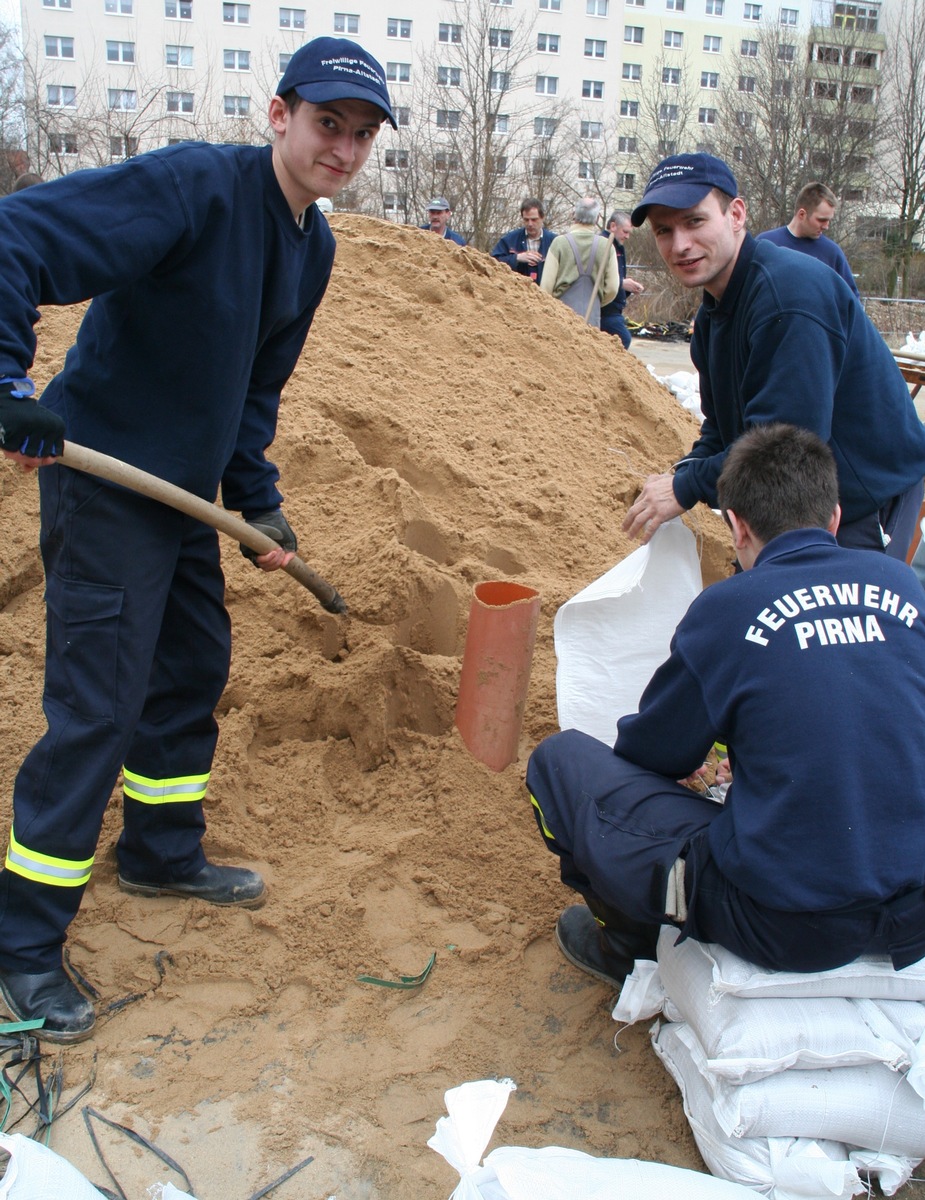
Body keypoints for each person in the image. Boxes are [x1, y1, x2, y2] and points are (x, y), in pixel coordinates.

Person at [0, 36, 395, 1042]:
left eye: (359, 135)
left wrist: (254, 496)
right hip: (104, 481)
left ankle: (160, 853)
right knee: (100, 702)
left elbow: (251, 390)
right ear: (279, 116)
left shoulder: (313, 248)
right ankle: (22, 945)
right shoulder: (192, 189)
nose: (341, 149)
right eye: (325, 125)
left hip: (183, 496)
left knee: (189, 668)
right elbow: (16, 238)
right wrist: (8, 388)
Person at [528, 423, 925, 985]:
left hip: (787, 923)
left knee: (560, 763)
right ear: (835, 516)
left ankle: (626, 945)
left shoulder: (728, 608)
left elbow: (654, 754)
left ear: (737, 526)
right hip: (916, 912)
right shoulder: (903, 585)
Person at [622, 153, 925, 560]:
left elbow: (783, 447)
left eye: (695, 221)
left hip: (864, 497)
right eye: (664, 230)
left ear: (736, 214)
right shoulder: (714, 315)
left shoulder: (788, 296)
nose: (680, 244)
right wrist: (681, 472)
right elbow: (723, 431)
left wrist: (686, 486)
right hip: (800, 496)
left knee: (839, 620)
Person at [756, 182, 859, 297]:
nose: (826, 226)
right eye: (821, 220)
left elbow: (852, 303)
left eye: (829, 220)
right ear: (801, 215)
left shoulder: (831, 253)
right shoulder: (765, 244)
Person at [539, 196, 618, 327]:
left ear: (573, 215)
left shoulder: (560, 243)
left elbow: (546, 287)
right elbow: (612, 289)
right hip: (592, 318)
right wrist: (595, 302)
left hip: (560, 317)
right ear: (597, 218)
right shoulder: (607, 246)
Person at [599, 211, 645, 348]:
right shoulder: (603, 245)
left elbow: (615, 277)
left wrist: (628, 287)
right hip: (606, 310)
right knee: (623, 340)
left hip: (615, 307)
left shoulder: (618, 246)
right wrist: (622, 284)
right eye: (625, 232)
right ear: (613, 226)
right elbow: (597, 278)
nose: (627, 236)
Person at [490, 198, 556, 285]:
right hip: (517, 294)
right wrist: (516, 258)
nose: (530, 224)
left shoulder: (554, 241)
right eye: (526, 220)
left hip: (545, 295)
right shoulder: (510, 239)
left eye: (534, 219)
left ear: (542, 218)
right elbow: (493, 262)